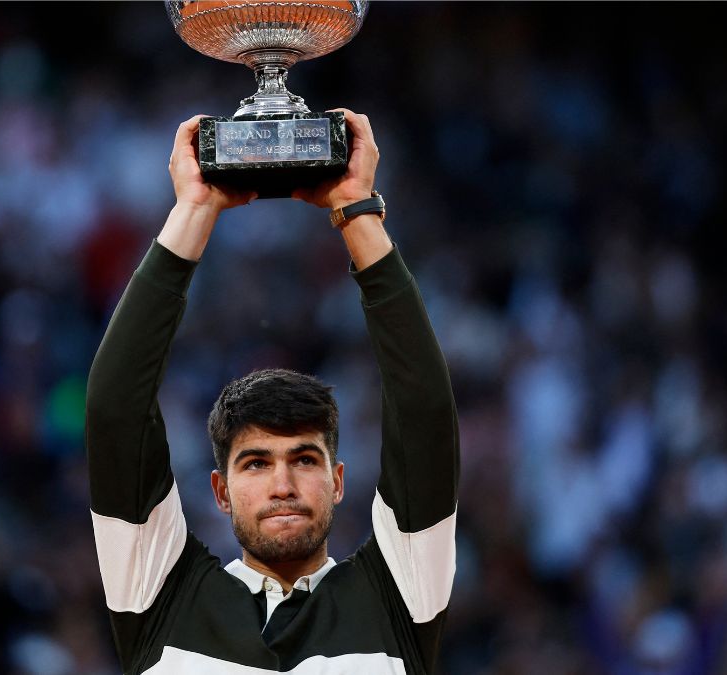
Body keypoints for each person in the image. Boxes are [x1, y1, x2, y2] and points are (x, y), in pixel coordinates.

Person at [86, 109, 459, 674]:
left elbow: (424, 411)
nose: (283, 485)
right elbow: (115, 407)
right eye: (256, 464)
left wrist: (357, 210)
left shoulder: (400, 592)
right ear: (220, 491)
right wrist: (194, 210)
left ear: (337, 481)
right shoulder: (158, 593)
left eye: (304, 459)